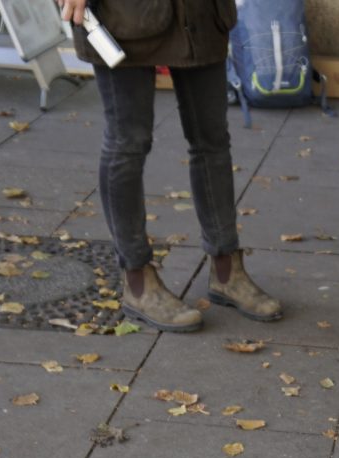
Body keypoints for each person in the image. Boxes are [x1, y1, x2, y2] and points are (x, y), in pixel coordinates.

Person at [61, 0, 280, 331]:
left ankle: (226, 271)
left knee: (212, 141)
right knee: (128, 143)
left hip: (200, 14)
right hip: (120, 16)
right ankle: (137, 281)